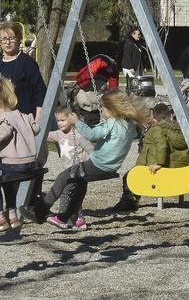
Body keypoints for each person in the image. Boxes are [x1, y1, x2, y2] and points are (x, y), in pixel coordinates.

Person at [24, 91, 149, 229]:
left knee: (63, 177)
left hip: (98, 164)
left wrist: (76, 122)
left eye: (104, 108)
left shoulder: (112, 123)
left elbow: (91, 135)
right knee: (78, 183)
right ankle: (65, 218)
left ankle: (39, 211)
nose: (101, 111)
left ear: (113, 109)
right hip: (111, 167)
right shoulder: (129, 125)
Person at [0, 78, 40, 234]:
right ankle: (12, 215)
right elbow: (36, 128)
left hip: (14, 163)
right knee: (6, 182)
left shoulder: (2, 118)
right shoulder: (21, 115)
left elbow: (2, 134)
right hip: (30, 163)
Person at [29, 107, 93, 227]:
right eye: (58, 121)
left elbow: (91, 149)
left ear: (72, 119)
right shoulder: (58, 134)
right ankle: (79, 218)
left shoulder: (78, 135)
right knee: (75, 196)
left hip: (80, 171)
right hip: (67, 172)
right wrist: (32, 129)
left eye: (63, 120)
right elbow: (45, 135)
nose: (59, 123)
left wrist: (91, 164)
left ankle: (63, 218)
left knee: (69, 195)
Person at [0, 20, 47, 124]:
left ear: (19, 39)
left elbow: (40, 92)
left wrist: (38, 119)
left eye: (11, 38)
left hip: (23, 121)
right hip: (0, 121)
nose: (8, 42)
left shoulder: (27, 62)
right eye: (4, 39)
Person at [139, 102, 189, 202]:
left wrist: (159, 164)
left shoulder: (157, 129)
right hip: (180, 169)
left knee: (131, 177)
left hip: (165, 170)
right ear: (170, 115)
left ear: (154, 118)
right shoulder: (178, 129)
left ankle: (130, 201)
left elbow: (162, 145)